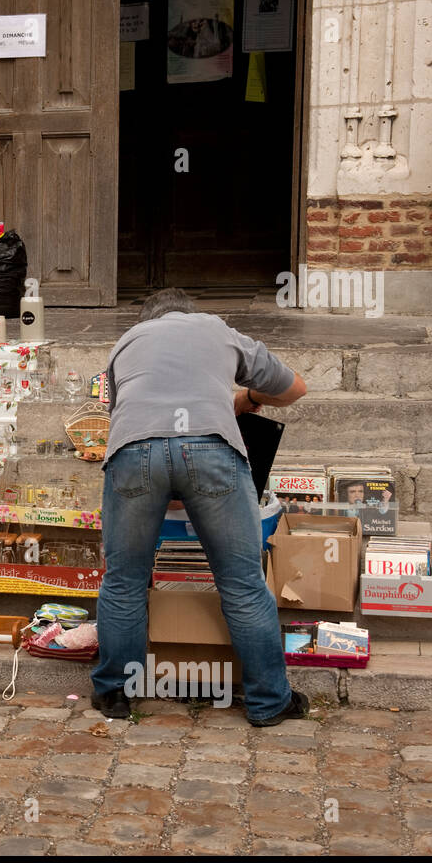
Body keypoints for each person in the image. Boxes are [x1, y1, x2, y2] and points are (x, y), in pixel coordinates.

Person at [92, 288, 309, 726]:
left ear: (147, 319)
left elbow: (125, 416)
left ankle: (115, 694)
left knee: (124, 581)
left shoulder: (126, 343)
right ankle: (269, 701)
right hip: (211, 450)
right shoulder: (217, 330)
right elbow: (296, 389)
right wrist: (249, 399)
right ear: (191, 314)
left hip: (135, 453)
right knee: (243, 581)